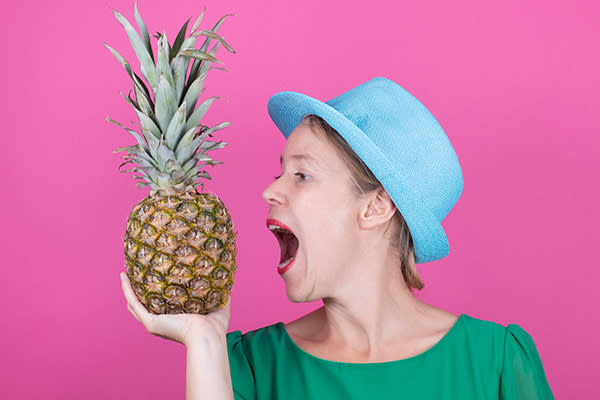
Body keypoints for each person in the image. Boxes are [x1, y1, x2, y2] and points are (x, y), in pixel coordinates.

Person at [120, 77, 555, 399]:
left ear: (375, 206)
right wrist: (203, 341)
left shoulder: (497, 362)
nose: (270, 190)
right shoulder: (243, 368)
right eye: (279, 171)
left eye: (302, 175)